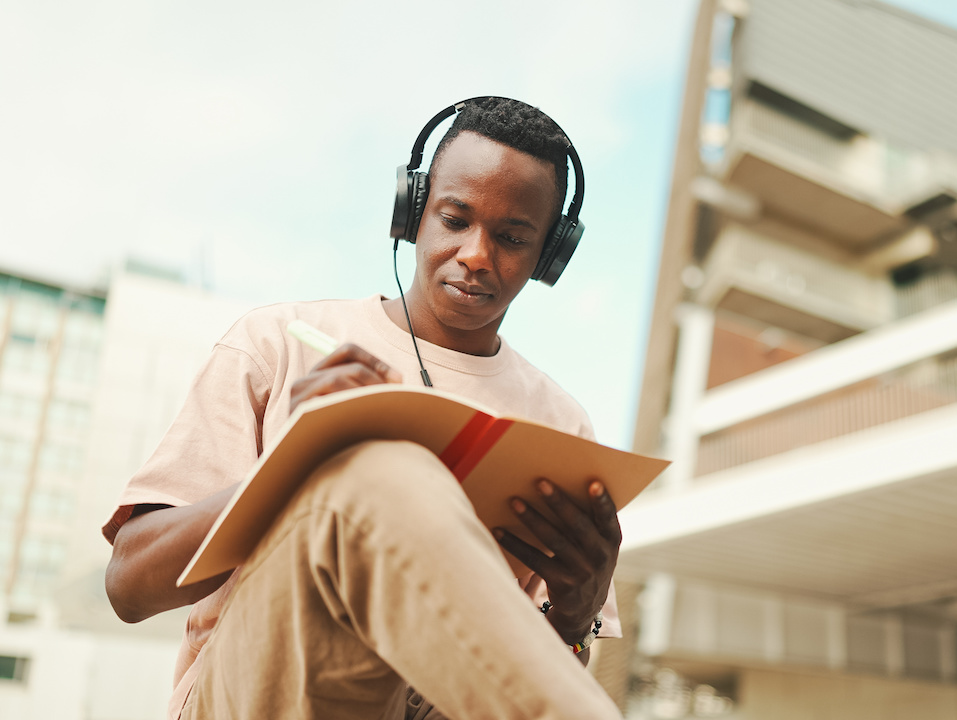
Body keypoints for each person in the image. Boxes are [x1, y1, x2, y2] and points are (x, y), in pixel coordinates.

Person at [102, 97, 625, 720]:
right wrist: (290, 468)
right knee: (380, 472)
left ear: (548, 257)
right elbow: (130, 587)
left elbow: (520, 685)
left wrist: (574, 615)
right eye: (455, 219)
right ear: (414, 212)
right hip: (257, 693)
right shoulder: (279, 344)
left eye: (513, 238)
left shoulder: (560, 425)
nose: (478, 255)